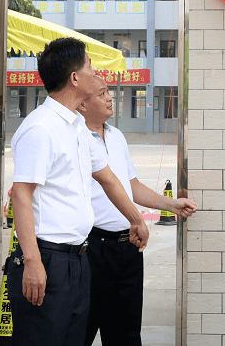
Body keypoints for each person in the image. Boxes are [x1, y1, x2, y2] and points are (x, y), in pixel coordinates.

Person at [7, 37, 149, 346]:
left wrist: (135, 219)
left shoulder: (77, 128)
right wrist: (32, 263)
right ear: (74, 79)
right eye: (89, 66)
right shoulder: (41, 128)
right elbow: (21, 195)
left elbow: (108, 178)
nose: (95, 72)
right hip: (46, 258)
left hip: (78, 260)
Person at [79, 77, 198, 346]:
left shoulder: (117, 136)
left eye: (108, 91)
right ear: (83, 104)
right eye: (102, 93)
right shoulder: (75, 139)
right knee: (81, 330)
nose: (110, 98)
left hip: (129, 247)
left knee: (126, 334)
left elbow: (130, 185)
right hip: (92, 250)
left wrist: (171, 205)